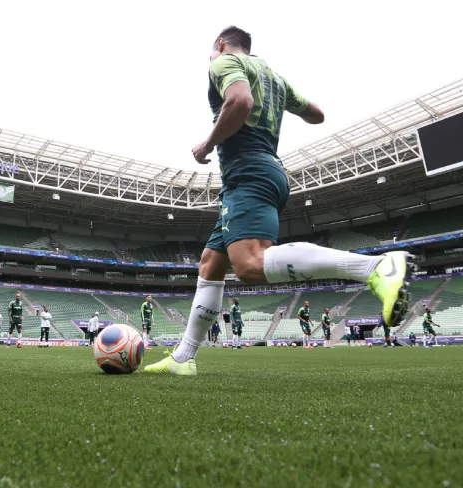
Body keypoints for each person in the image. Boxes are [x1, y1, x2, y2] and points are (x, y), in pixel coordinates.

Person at [146, 26, 412, 375]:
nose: (212, 59)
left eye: (213, 52)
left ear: (221, 44)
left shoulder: (224, 62)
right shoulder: (273, 77)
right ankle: (184, 357)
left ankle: (375, 268)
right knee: (211, 263)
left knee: (250, 265)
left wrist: (207, 144)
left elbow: (240, 101)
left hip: (248, 172)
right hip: (262, 171)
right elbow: (316, 113)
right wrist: (286, 102)